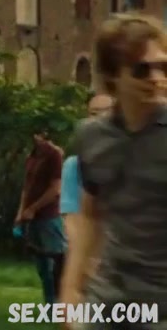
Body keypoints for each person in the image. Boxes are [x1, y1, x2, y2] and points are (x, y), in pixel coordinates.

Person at [61, 14, 167, 329]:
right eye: (141, 69)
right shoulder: (91, 136)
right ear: (112, 76)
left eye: (163, 67)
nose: (156, 78)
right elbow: (90, 214)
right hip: (109, 297)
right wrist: (70, 290)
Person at [59, 92, 113, 272]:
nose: (101, 118)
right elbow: (72, 219)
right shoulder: (74, 166)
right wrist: (85, 259)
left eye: (108, 111)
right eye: (94, 113)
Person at [16, 127, 67, 304]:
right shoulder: (32, 156)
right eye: (35, 133)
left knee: (57, 266)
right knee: (43, 268)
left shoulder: (54, 155)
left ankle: (63, 306)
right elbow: (27, 187)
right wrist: (21, 212)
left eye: (40, 133)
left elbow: (55, 189)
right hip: (32, 219)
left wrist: (34, 208)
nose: (37, 137)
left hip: (49, 218)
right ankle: (50, 306)